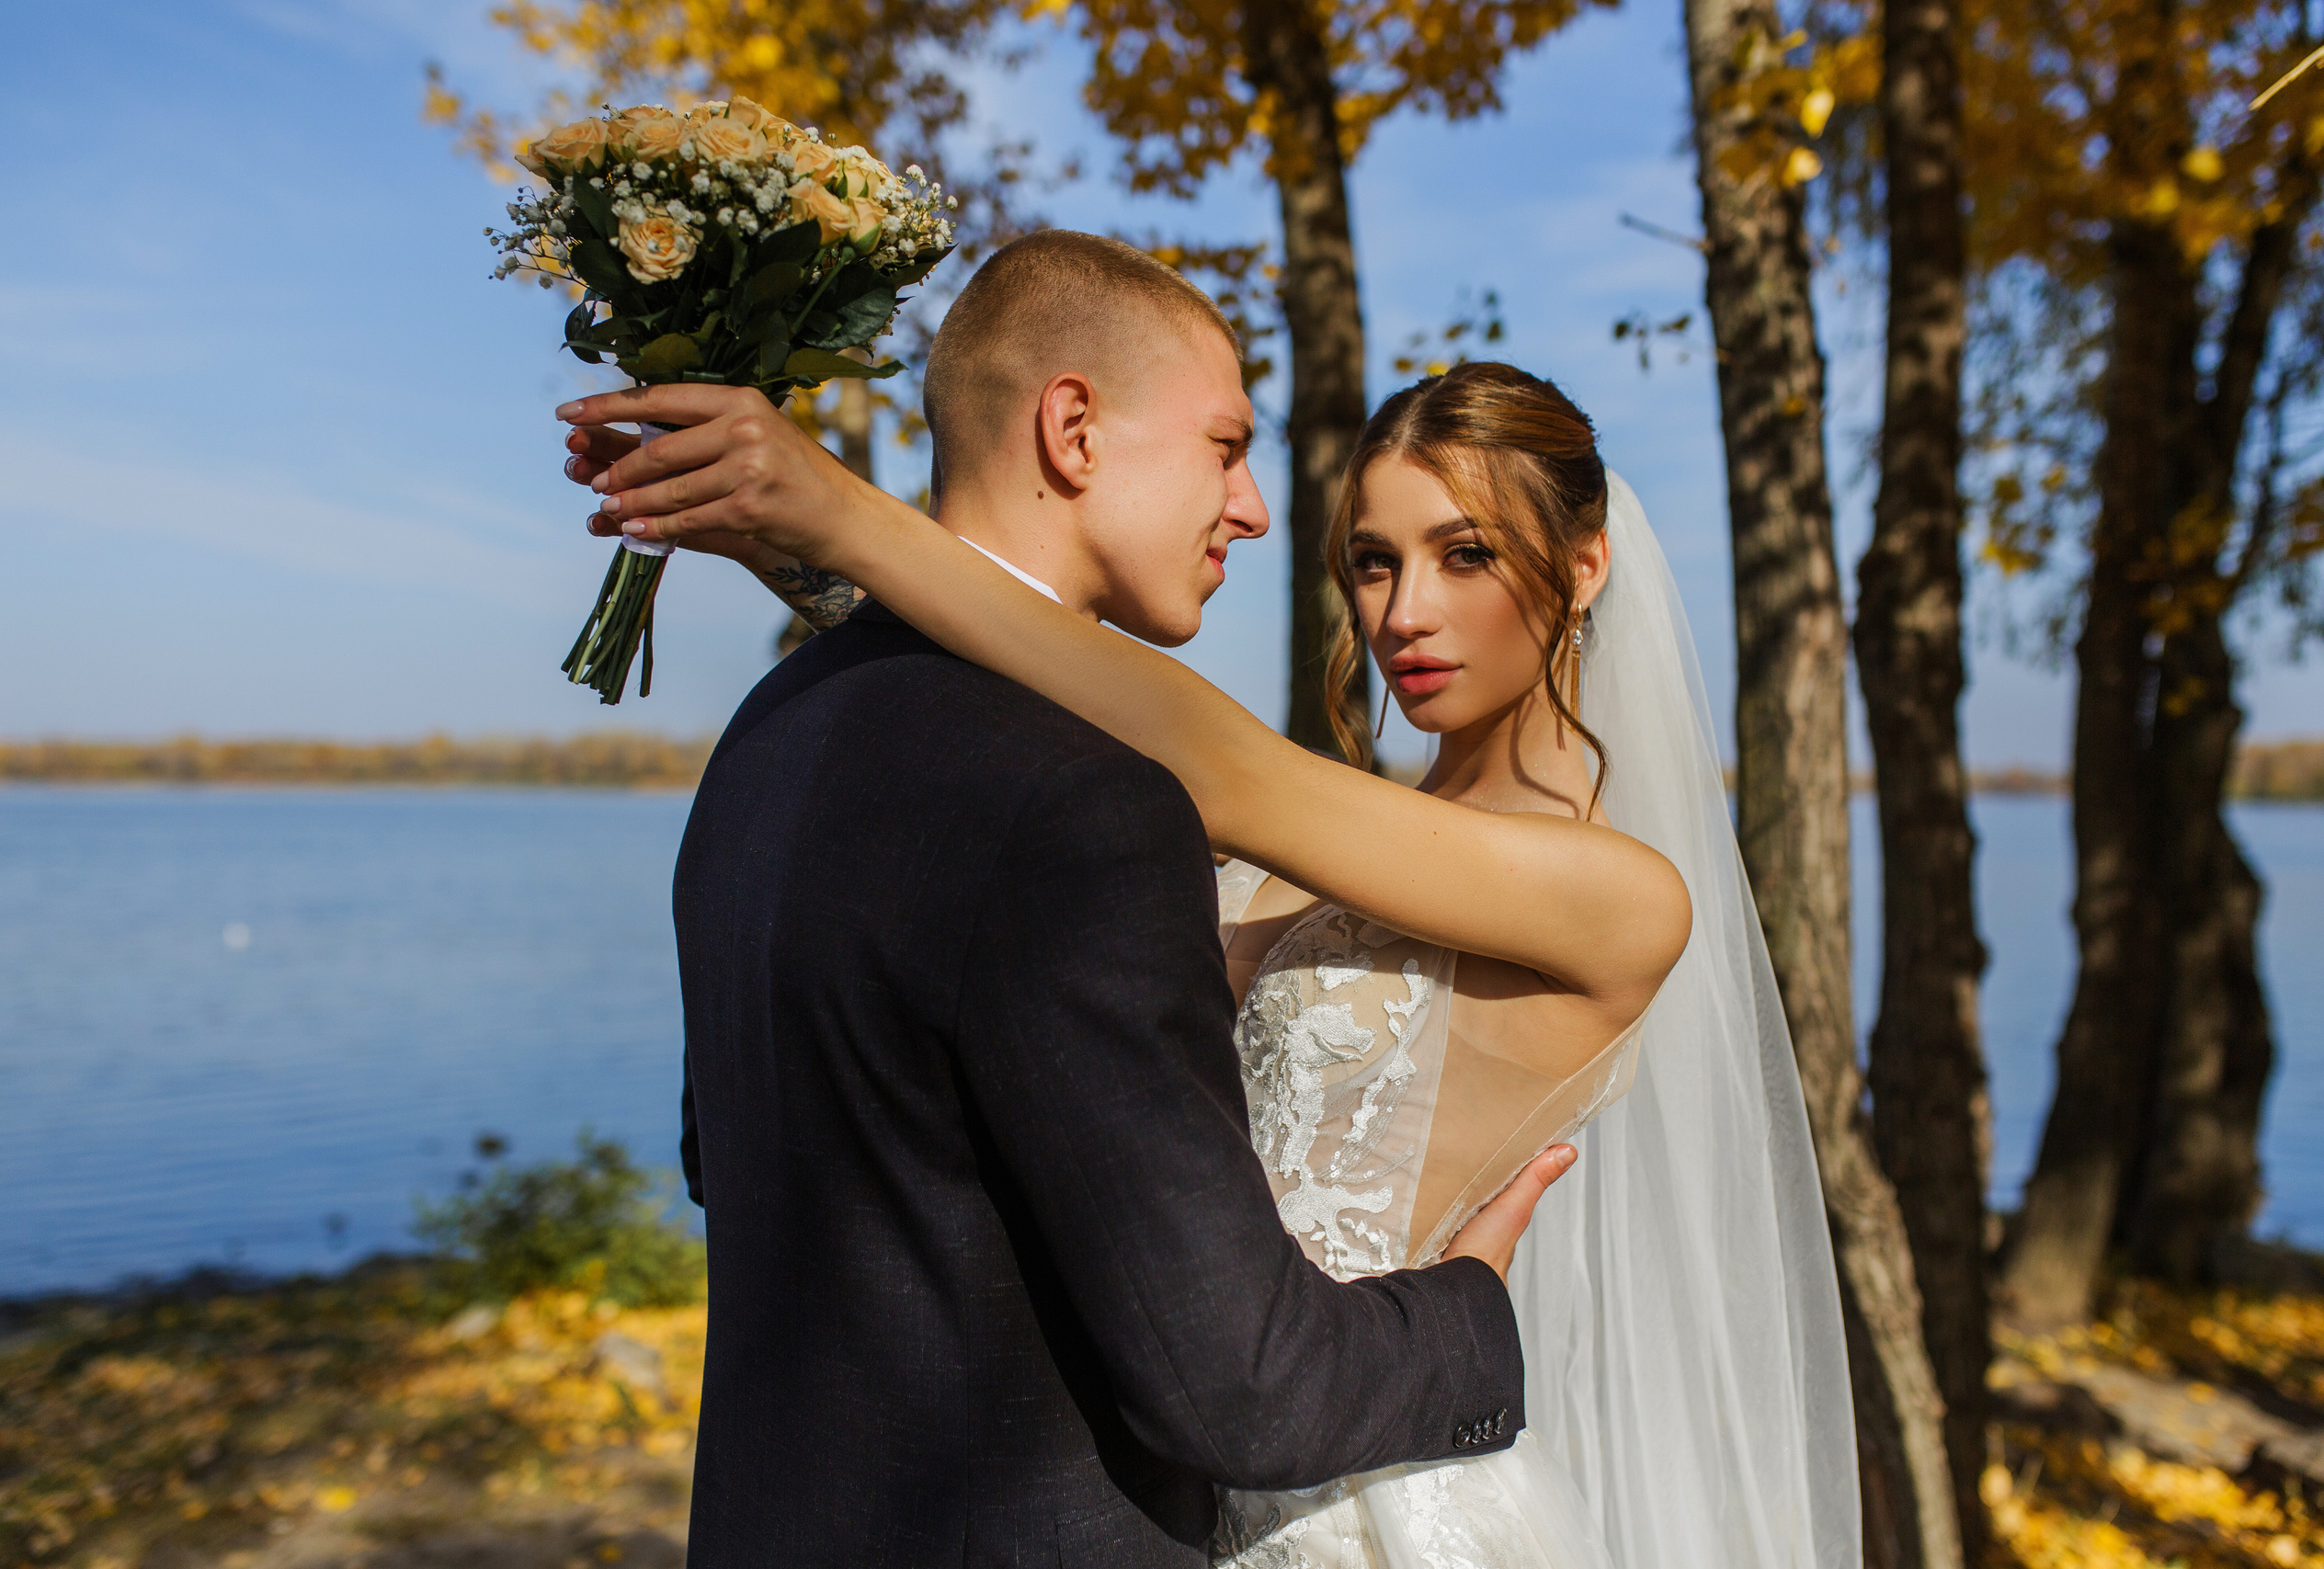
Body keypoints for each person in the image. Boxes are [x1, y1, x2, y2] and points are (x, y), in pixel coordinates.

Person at [557, 233, 1688, 1569]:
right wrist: (808, 559)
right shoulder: (1288, 835)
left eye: (1466, 553)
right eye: (1375, 561)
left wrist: (834, 513)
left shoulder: (1617, 895)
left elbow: (1210, 759)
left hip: (1362, 1480)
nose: (1403, 612)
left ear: (1586, 566)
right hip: (1222, 1443)